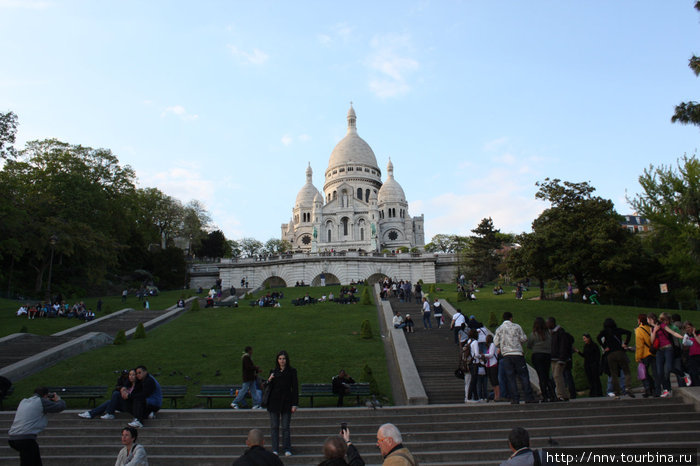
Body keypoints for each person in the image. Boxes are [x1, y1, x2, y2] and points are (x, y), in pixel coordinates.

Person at [8, 386, 66, 465]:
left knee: (32, 460)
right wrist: (58, 399)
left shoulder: (24, 401)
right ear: (46, 395)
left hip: (13, 438)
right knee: (31, 462)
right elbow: (60, 407)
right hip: (25, 439)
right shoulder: (41, 402)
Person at [494, 312, 536, 404]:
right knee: (524, 376)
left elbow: (496, 343)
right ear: (511, 318)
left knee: (510, 377)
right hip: (518, 354)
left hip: (507, 356)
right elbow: (524, 338)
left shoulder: (499, 329)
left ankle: (515, 398)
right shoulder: (517, 326)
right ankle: (529, 397)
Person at [266, 350, 299, 457]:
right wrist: (269, 380)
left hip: (286, 402)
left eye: (284, 359)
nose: (282, 361)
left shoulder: (292, 371)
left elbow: (295, 388)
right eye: (280, 359)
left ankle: (287, 448)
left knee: (285, 427)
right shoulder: (273, 371)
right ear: (277, 360)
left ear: (287, 360)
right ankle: (275, 449)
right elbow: (268, 387)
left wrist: (295, 403)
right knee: (274, 427)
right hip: (274, 402)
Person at [650, 312, 685, 397]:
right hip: (659, 350)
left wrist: (682, 337)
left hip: (668, 348)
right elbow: (651, 341)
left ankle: (683, 374)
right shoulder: (652, 328)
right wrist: (655, 331)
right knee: (660, 372)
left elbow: (672, 333)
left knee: (668, 368)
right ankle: (666, 389)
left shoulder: (662, 325)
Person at [597, 318, 634, 399]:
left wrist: (604, 346)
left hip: (610, 354)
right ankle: (628, 387)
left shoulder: (605, 332)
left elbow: (598, 337)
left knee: (613, 373)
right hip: (620, 352)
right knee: (626, 371)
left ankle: (616, 391)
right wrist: (625, 343)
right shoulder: (618, 330)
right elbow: (629, 333)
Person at [527, 317, 555, 402]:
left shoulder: (533, 334)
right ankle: (553, 394)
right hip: (547, 355)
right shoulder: (548, 334)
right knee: (546, 375)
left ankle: (545, 396)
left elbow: (529, 345)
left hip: (537, 355)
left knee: (541, 376)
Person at [547, 317, 573, 402]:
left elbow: (563, 346)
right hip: (553, 358)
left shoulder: (560, 333)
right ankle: (564, 394)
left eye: (548, 323)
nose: (546, 325)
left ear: (552, 323)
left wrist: (562, 358)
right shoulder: (551, 333)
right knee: (557, 376)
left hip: (559, 358)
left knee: (557, 376)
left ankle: (560, 395)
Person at [635, 313, 657, 397]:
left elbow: (639, 345)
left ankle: (648, 389)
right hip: (653, 353)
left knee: (643, 373)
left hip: (645, 354)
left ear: (640, 321)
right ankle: (655, 388)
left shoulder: (639, 330)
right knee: (654, 372)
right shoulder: (650, 328)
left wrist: (638, 357)